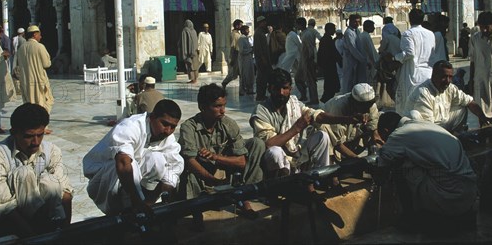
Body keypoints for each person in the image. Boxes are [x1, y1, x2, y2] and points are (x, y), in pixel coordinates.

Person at [0, 103, 73, 240]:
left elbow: (65, 194)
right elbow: (3, 207)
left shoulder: (51, 151)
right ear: (14, 132)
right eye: (29, 136)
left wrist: (65, 232)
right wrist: (35, 238)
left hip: (44, 221)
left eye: (40, 135)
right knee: (24, 174)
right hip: (4, 225)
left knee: (51, 183)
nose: (36, 142)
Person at [249, 69, 366, 178]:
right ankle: (284, 184)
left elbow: (317, 115)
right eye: (276, 89)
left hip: (296, 154)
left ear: (290, 88)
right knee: (275, 152)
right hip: (275, 161)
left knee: (322, 136)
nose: (281, 93)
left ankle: (321, 177)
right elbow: (269, 144)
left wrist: (347, 119)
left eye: (285, 88)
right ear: (269, 89)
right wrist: (297, 128)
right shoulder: (261, 111)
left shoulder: (293, 103)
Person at [375, 112, 477, 229]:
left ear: (386, 131)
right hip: (469, 194)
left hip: (450, 198)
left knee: (400, 167)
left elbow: (382, 165)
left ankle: (409, 218)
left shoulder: (398, 135)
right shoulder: (426, 125)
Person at [178, 84, 265, 220]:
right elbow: (190, 162)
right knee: (189, 169)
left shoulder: (228, 124)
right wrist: (214, 181)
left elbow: (242, 162)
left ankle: (244, 197)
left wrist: (216, 157)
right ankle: (196, 210)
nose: (223, 110)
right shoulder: (188, 128)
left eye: (224, 105)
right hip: (201, 173)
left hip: (224, 169)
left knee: (257, 144)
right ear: (202, 107)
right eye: (217, 106)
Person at [83, 99, 184, 216]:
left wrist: (152, 200)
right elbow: (123, 163)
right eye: (165, 124)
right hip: (103, 177)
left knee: (158, 160)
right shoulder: (130, 126)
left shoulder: (167, 137)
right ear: (152, 117)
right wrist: (137, 201)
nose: (168, 131)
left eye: (173, 127)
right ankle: (121, 212)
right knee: (129, 166)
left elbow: (175, 166)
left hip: (134, 183)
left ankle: (140, 206)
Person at [406, 60, 492, 134]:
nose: (447, 81)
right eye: (444, 77)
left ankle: (457, 135)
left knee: (462, 107)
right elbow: (429, 127)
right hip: (424, 130)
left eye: (450, 77)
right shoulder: (423, 93)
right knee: (414, 115)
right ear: (434, 75)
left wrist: (484, 118)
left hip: (440, 125)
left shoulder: (450, 87)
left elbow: (469, 101)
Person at [391, 9, 435, 115]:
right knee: (424, 102)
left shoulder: (408, 34)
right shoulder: (430, 34)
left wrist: (395, 58)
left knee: (409, 104)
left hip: (413, 73)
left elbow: (409, 53)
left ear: (409, 19)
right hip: (428, 73)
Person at [321, 83, 379, 161]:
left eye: (369, 105)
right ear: (354, 102)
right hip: (330, 139)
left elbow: (374, 132)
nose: (367, 110)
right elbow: (337, 143)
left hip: (350, 136)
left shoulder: (370, 105)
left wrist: (375, 154)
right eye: (364, 107)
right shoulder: (339, 107)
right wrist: (359, 161)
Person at [17, 25, 54, 133]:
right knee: (43, 103)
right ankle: (41, 127)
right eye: (39, 34)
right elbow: (47, 63)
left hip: (26, 81)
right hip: (38, 80)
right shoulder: (39, 46)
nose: (40, 37)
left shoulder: (21, 48)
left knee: (30, 104)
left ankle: (33, 127)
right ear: (34, 34)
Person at [378, 17, 401, 103]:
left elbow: (381, 49)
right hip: (397, 61)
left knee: (386, 82)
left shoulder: (386, 36)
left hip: (388, 63)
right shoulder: (397, 35)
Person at [298, 18, 321, 105]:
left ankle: (314, 99)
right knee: (309, 80)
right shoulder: (305, 33)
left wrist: (310, 59)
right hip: (307, 59)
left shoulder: (307, 34)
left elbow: (310, 48)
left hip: (309, 59)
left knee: (311, 80)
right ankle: (310, 97)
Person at [342, 14, 366, 94]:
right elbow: (353, 49)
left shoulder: (357, 31)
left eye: (358, 22)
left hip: (357, 61)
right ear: (350, 21)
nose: (357, 24)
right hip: (350, 61)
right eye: (355, 22)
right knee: (349, 83)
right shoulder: (349, 33)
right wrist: (363, 60)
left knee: (356, 83)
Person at [317, 23, 342, 103]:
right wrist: (340, 60)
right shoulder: (327, 40)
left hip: (328, 66)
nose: (334, 31)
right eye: (333, 29)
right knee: (330, 86)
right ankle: (325, 101)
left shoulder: (326, 39)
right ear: (329, 29)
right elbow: (333, 52)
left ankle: (326, 100)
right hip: (329, 66)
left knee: (330, 85)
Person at [253, 16, 271, 101]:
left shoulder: (261, 32)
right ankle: (260, 95)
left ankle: (262, 94)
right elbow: (259, 48)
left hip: (263, 58)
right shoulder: (258, 33)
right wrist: (263, 58)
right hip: (261, 59)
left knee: (264, 77)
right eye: (263, 22)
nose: (265, 24)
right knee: (261, 78)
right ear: (260, 23)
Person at [222, 19, 243, 88]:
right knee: (233, 74)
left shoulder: (238, 33)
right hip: (235, 55)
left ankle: (242, 88)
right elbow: (233, 46)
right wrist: (233, 59)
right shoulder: (234, 34)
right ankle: (225, 82)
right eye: (240, 25)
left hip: (239, 55)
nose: (241, 26)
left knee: (240, 73)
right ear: (237, 26)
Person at [357, 20, 378, 86]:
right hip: (368, 62)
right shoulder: (366, 36)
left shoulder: (362, 35)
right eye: (372, 26)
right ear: (368, 27)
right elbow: (371, 51)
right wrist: (376, 62)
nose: (374, 28)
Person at [237, 25, 255, 96]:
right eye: (247, 30)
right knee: (244, 75)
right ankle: (242, 90)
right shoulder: (241, 39)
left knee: (250, 74)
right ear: (243, 31)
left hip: (249, 58)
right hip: (244, 60)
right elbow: (241, 51)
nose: (248, 31)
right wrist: (250, 49)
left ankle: (249, 89)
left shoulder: (246, 38)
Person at [180, 19, 199, 84]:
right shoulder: (194, 31)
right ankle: (195, 79)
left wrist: (184, 53)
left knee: (190, 66)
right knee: (195, 66)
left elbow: (184, 42)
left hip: (189, 53)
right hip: (195, 52)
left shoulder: (185, 31)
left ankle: (193, 79)